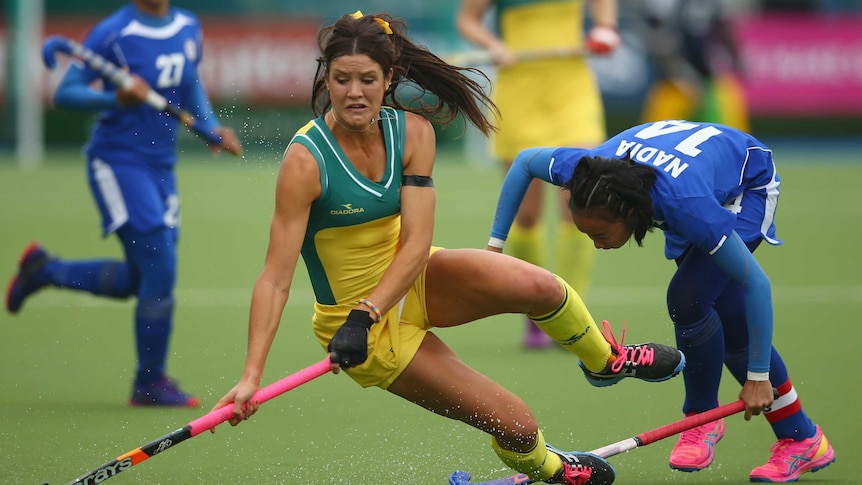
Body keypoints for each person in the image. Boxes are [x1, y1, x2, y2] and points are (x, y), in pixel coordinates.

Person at [213, 11, 683, 485]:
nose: (354, 92)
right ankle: (554, 469)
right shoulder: (305, 161)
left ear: (389, 78)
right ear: (326, 79)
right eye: (341, 79)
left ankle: (604, 361)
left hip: (410, 281)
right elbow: (275, 279)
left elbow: (416, 244)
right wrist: (251, 376)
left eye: (367, 79)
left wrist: (369, 311)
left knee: (540, 286)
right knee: (518, 428)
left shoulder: (412, 133)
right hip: (367, 334)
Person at [486, 119, 835, 482]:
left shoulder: (688, 208)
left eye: (602, 233)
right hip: (694, 174)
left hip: (743, 188)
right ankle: (803, 439)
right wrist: (494, 246)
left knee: (688, 299)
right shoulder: (587, 172)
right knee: (729, 321)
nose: (597, 244)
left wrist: (759, 377)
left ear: (633, 213)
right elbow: (526, 161)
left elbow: (758, 286)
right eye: (586, 232)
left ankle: (701, 421)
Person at [5, 0, 243, 407]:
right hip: (118, 162)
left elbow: (191, 82)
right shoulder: (113, 33)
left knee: (143, 279)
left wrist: (208, 126)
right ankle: (148, 383)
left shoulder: (188, 25)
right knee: (161, 269)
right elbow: (67, 92)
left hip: (161, 167)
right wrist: (118, 98)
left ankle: (45, 271)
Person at [456, 0, 621, 349]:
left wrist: (605, 27)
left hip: (571, 89)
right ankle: (537, 310)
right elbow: (468, 19)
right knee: (526, 216)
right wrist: (494, 46)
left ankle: (573, 311)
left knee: (581, 204)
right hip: (520, 90)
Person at [637, 0, 750, 131]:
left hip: (709, 79)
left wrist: (737, 59)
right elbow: (658, 38)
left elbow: (724, 28)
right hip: (674, 82)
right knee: (655, 135)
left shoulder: (713, 4)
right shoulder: (664, 4)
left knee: (727, 132)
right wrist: (679, 72)